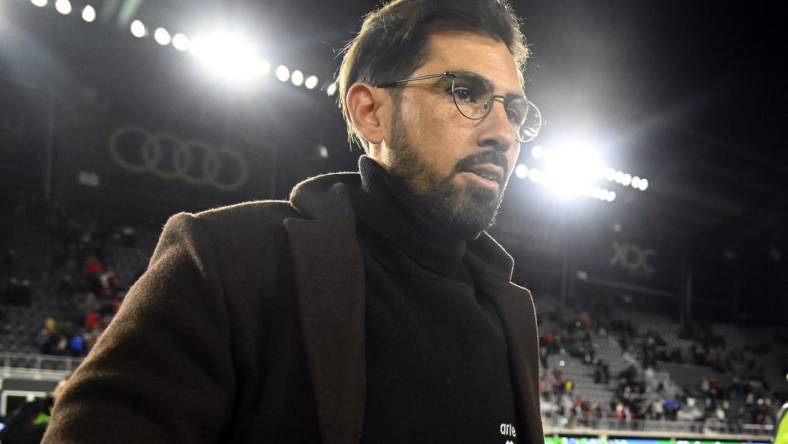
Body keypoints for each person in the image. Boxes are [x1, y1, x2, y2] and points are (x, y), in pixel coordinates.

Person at [42, 0, 543, 442]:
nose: (502, 131)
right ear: (371, 113)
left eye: (515, 111)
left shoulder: (511, 310)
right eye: (464, 92)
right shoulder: (229, 262)